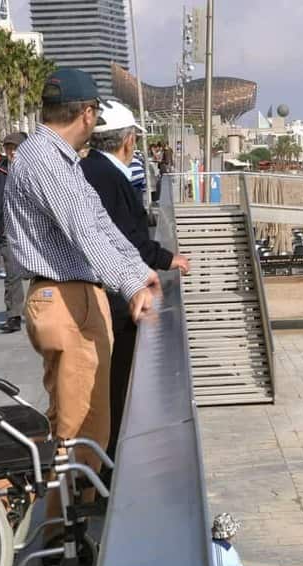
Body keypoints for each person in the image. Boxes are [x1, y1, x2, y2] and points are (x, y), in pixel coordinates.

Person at [3, 67, 159, 536]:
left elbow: (100, 224)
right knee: (74, 428)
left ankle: (79, 528)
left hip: (81, 297)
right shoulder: (44, 161)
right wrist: (131, 285)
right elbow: (83, 230)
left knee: (95, 424)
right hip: (63, 298)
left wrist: (137, 270)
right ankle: (59, 539)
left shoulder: (62, 159)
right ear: (88, 114)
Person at [80, 99, 190, 481]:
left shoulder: (89, 169)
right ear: (128, 141)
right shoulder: (108, 177)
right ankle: (110, 466)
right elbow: (123, 236)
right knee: (117, 381)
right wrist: (164, 259)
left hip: (103, 288)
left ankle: (104, 464)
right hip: (112, 296)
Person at [0, 131, 28, 332]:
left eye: (16, 148)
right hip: (7, 230)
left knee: (43, 274)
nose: (12, 152)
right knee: (12, 275)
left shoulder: (35, 169)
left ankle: (44, 311)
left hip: (33, 231)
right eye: (9, 148)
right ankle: (13, 316)